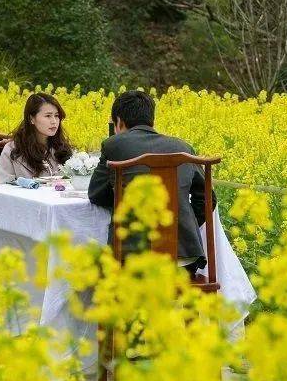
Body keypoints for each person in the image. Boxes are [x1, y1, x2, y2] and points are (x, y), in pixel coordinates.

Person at [88, 90, 215, 273]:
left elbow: (96, 194)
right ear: (152, 121)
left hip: (131, 257)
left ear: (119, 122)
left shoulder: (114, 144)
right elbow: (207, 199)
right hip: (184, 258)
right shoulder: (183, 148)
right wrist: (177, 225)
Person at [0, 92, 73, 183]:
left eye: (56, 116)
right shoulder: (13, 150)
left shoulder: (61, 148)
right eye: (48, 116)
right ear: (31, 119)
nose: (54, 121)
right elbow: (4, 187)